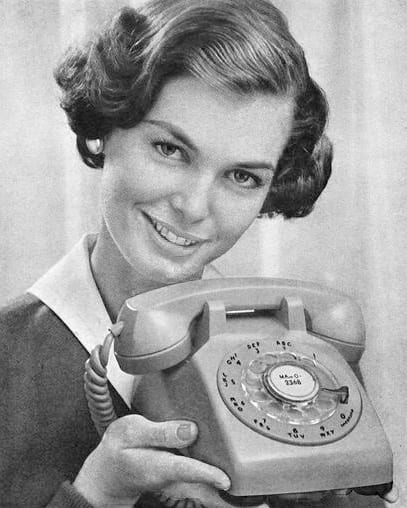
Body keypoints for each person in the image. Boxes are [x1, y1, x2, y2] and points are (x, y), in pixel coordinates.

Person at [0, 0, 332, 507]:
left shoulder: (299, 358)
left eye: (242, 177)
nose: (194, 208)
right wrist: (98, 494)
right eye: (170, 149)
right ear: (107, 123)